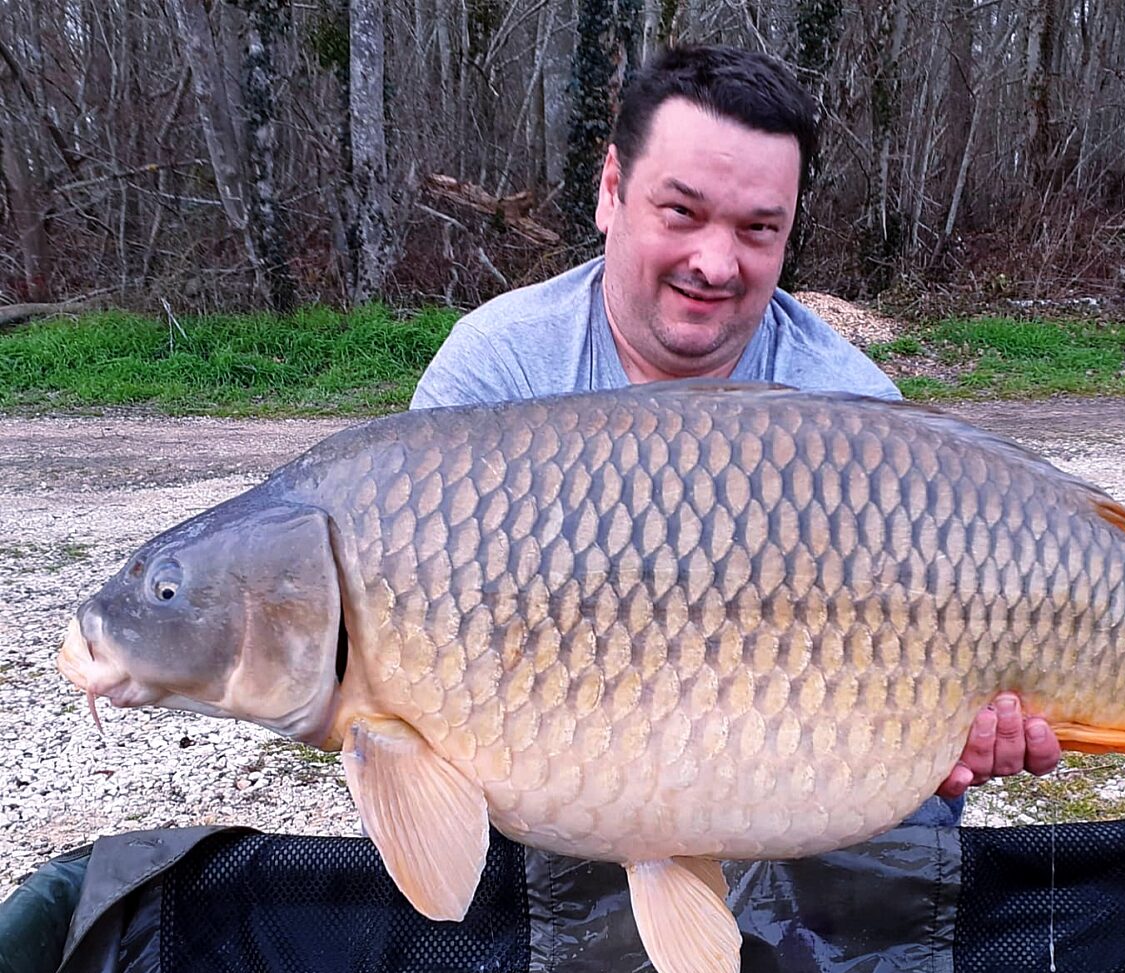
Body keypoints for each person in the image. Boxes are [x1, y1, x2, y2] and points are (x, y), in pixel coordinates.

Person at [412, 43, 1061, 805]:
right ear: (612, 190)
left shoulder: (852, 409)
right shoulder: (498, 376)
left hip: (791, 790)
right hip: (555, 787)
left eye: (757, 230)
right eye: (682, 213)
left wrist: (948, 732)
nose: (716, 264)